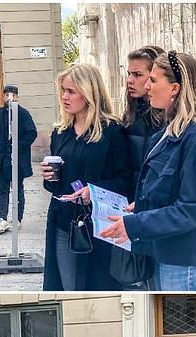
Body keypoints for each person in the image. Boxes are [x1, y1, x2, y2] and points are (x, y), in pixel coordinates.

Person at [99, 51, 196, 291]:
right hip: (169, 253)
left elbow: (193, 208)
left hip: (187, 260)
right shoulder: (171, 132)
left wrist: (134, 225)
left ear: (174, 88)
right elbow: (172, 190)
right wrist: (143, 206)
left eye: (153, 80)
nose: (147, 86)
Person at [41, 64, 133, 291]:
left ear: (89, 92)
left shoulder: (111, 130)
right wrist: (49, 177)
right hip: (65, 221)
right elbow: (55, 187)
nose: (64, 96)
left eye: (71, 91)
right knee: (69, 286)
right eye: (62, 90)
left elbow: (128, 179)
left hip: (102, 224)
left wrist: (94, 192)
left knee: (100, 286)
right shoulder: (61, 132)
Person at [0, 84, 38, 234]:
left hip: (18, 159)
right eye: (6, 95)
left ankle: (17, 219)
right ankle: (2, 219)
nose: (8, 98)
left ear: (17, 97)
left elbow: (32, 133)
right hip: (3, 158)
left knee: (18, 189)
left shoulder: (23, 114)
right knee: (3, 189)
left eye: (12, 95)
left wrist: (17, 147)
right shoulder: (0, 113)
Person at [121, 45, 165, 183]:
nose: (129, 80)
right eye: (129, 74)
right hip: (131, 196)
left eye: (138, 75)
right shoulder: (129, 115)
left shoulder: (171, 117)